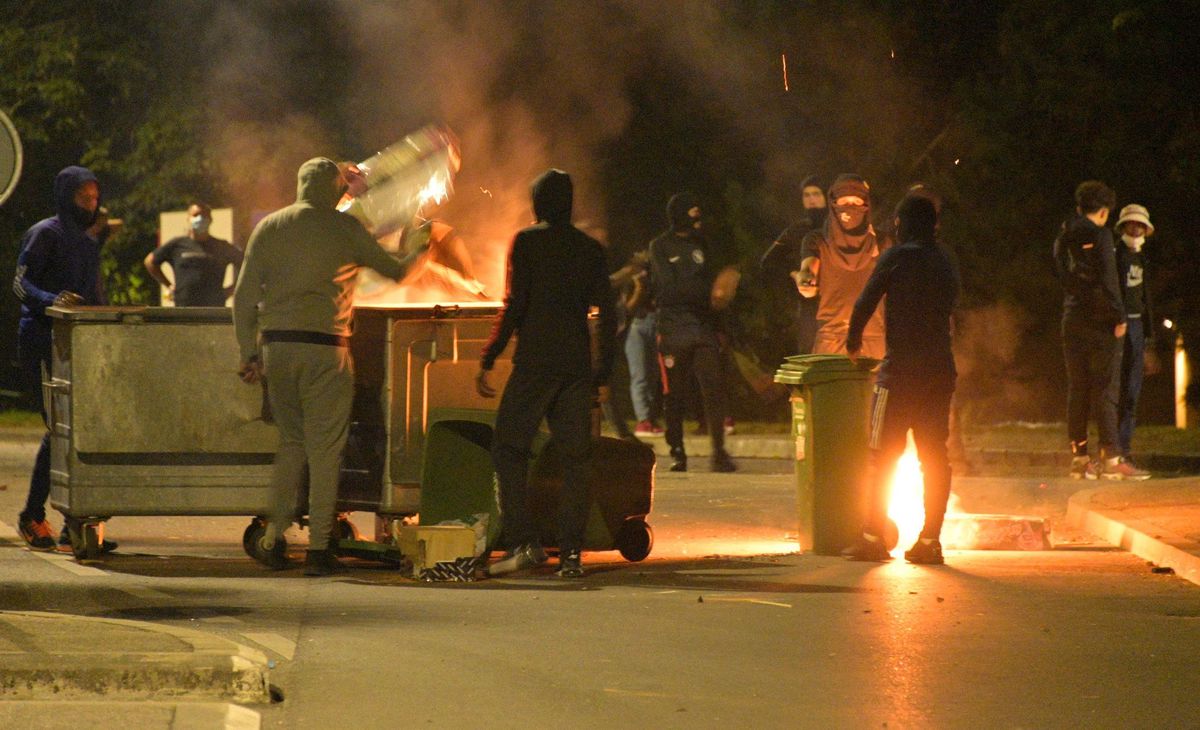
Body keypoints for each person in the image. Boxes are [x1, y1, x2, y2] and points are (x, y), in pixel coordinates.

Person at [233, 157, 426, 575]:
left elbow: (244, 298)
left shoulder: (270, 227)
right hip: (326, 351)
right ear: (334, 190)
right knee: (325, 452)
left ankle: (272, 537)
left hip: (279, 351)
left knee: (291, 443)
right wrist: (421, 246)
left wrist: (248, 353)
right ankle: (319, 549)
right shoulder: (346, 229)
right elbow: (396, 272)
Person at [475, 168, 617, 578]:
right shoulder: (590, 249)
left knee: (508, 447)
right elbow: (609, 312)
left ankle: (523, 542)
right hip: (574, 365)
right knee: (576, 459)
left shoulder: (527, 242)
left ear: (536, 204)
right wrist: (603, 371)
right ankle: (571, 554)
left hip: (535, 362)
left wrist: (490, 356)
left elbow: (514, 303)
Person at [842, 193, 958, 565]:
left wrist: (853, 341)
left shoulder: (896, 257)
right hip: (939, 373)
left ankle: (873, 536)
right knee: (934, 457)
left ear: (900, 224)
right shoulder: (946, 259)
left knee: (881, 457)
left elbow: (865, 301)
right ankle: (930, 541)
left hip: (899, 375)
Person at [11, 166, 117, 552]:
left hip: (79, 346)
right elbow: (20, 283)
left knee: (79, 432)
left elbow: (95, 296)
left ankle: (75, 522)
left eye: (94, 198)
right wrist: (50, 301)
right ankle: (32, 516)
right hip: (42, 341)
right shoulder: (45, 234)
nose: (90, 204)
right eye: (82, 197)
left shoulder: (88, 244)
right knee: (57, 429)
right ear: (65, 196)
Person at [1053, 181, 1139, 480]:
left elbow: (1061, 272)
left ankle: (1080, 458)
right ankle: (1112, 458)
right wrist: (1119, 315)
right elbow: (1108, 278)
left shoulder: (1065, 234)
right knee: (1105, 389)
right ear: (1104, 211)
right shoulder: (1100, 235)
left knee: (1077, 388)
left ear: (1080, 207)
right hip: (1101, 322)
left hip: (1072, 317)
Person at [647, 192, 737, 473]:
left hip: (703, 330)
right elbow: (669, 289)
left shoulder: (703, 245)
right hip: (673, 330)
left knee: (714, 390)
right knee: (674, 394)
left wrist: (721, 327)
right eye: (692, 213)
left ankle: (719, 453)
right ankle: (677, 452)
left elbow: (714, 287)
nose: (698, 219)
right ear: (680, 215)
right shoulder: (660, 246)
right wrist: (708, 295)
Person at [797, 174, 889, 358]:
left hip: (873, 341)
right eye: (844, 201)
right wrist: (806, 279)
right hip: (832, 341)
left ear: (866, 205)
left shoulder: (882, 242)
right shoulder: (817, 240)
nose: (850, 208)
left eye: (856, 202)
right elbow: (808, 270)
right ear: (833, 204)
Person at [760, 174, 827, 355]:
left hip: (839, 300)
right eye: (807, 195)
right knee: (809, 353)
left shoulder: (839, 227)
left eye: (816, 194)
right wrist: (795, 274)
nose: (812, 199)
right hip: (809, 303)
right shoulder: (798, 230)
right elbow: (769, 261)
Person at [1113, 203, 1155, 478]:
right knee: (1115, 391)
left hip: (1137, 327)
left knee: (1131, 392)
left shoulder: (1141, 259)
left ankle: (1123, 450)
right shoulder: (1115, 257)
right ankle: (1114, 452)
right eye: (1132, 224)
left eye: (1140, 225)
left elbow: (1145, 299)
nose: (1136, 229)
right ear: (1123, 227)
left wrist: (1148, 340)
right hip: (1119, 327)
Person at [144, 202, 243, 306]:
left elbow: (246, 265)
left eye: (204, 215)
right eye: (195, 215)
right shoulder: (177, 244)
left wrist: (232, 289)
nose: (200, 219)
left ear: (210, 219)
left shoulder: (222, 246)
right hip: (184, 307)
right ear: (188, 218)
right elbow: (150, 262)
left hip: (214, 309)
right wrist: (169, 285)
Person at [611, 246, 662, 436]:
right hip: (637, 326)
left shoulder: (657, 277)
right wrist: (639, 288)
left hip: (655, 323)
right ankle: (643, 420)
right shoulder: (630, 280)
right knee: (640, 374)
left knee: (653, 375)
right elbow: (627, 308)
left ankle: (650, 417)